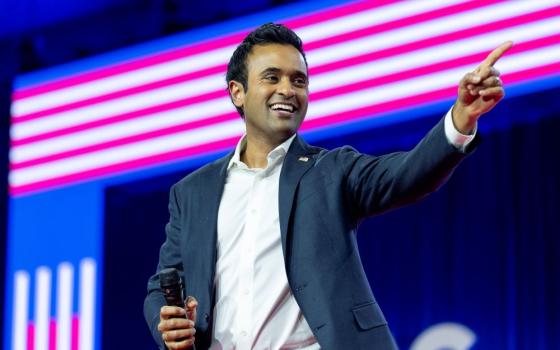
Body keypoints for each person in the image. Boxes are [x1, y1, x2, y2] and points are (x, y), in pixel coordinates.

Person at [144, 23, 511, 350]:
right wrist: (168, 325)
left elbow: (407, 175)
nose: (287, 90)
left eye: (298, 80)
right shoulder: (192, 191)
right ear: (237, 92)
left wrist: (462, 117)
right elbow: (163, 284)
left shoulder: (331, 170)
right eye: (272, 78)